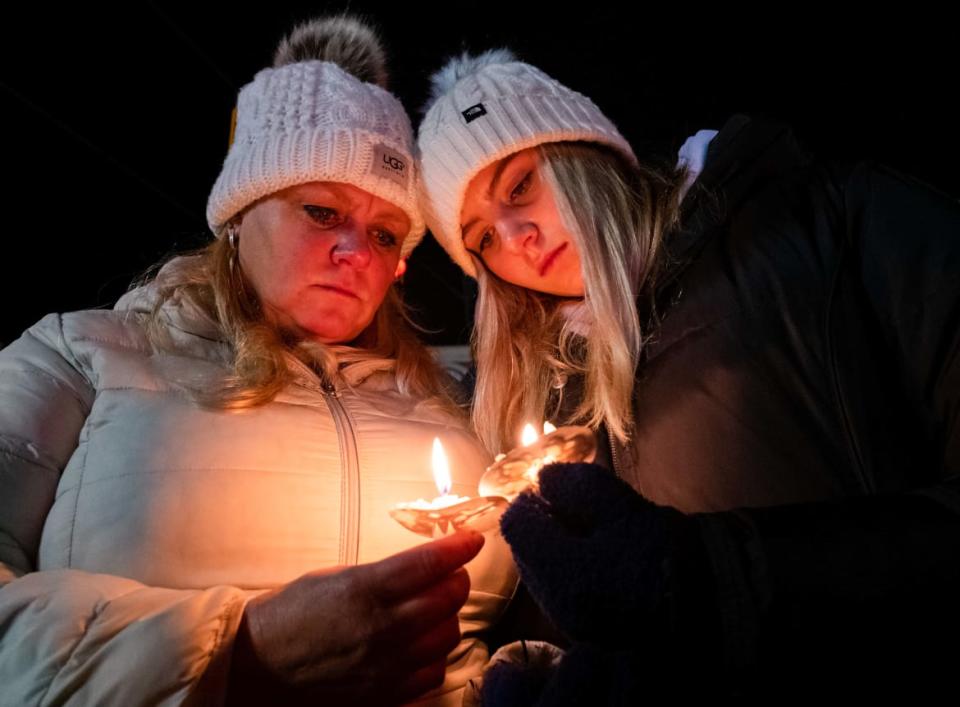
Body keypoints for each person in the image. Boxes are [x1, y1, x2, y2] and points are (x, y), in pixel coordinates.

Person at [0, 18, 516, 706]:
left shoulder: (458, 398)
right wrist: (240, 652)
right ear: (241, 212)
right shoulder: (79, 357)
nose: (356, 252)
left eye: (385, 232)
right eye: (322, 211)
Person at [417, 50, 960, 700]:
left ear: (582, 150)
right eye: (482, 240)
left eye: (520, 185)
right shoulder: (556, 397)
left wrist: (716, 577)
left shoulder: (835, 225)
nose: (516, 237)